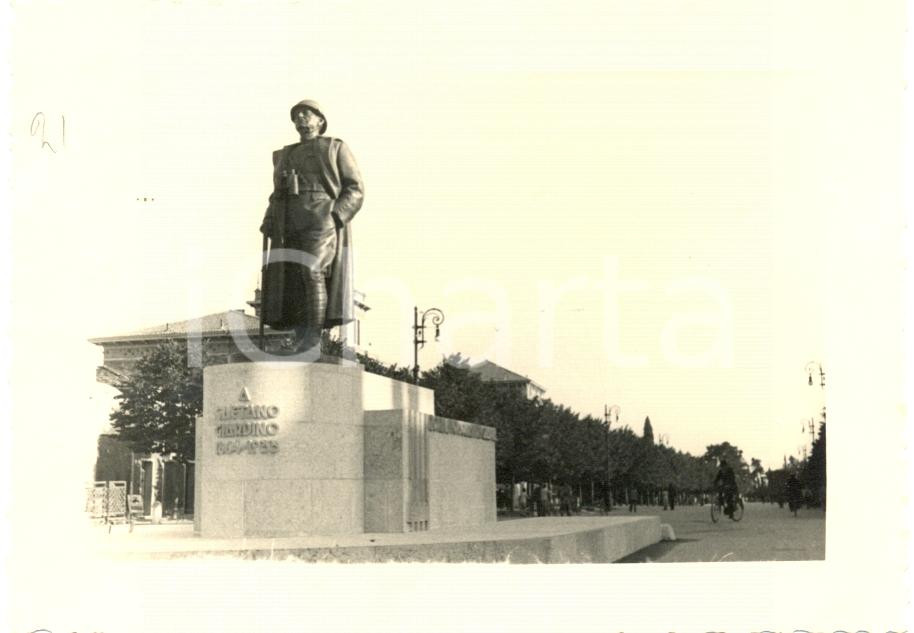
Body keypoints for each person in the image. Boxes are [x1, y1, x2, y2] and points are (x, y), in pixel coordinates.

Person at [260, 99, 365, 355]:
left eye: (306, 114)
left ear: (320, 120)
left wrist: (336, 215)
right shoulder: (285, 154)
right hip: (289, 221)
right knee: (293, 278)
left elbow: (355, 188)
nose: (301, 118)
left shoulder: (335, 147)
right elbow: (276, 193)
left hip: (321, 218)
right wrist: (269, 217)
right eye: (296, 116)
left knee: (312, 269)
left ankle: (312, 340)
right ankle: (299, 338)